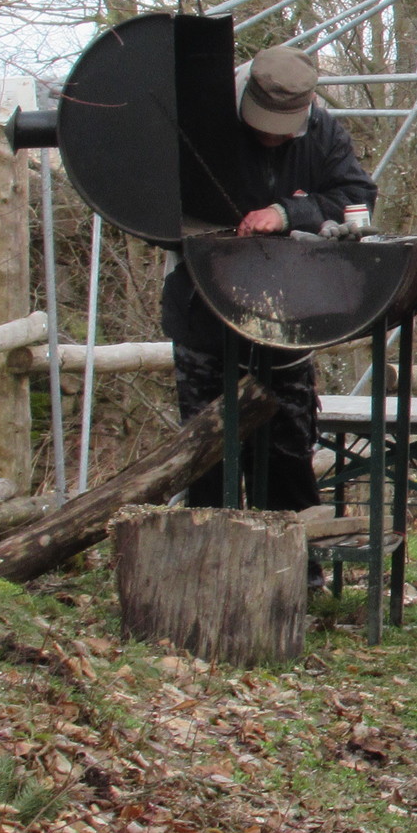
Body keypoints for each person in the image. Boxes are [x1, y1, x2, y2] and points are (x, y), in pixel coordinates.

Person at [161, 45, 375, 509]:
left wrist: (289, 212)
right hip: (205, 315)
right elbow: (158, 205)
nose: (272, 139)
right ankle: (208, 550)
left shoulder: (322, 131)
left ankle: (296, 552)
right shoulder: (203, 123)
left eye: (283, 131)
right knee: (205, 460)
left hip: (288, 318)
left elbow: (357, 198)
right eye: (263, 127)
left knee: (288, 454)